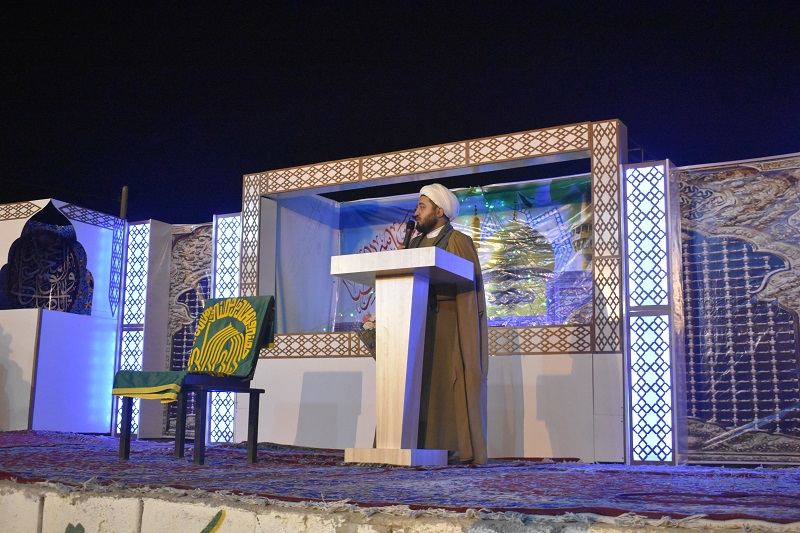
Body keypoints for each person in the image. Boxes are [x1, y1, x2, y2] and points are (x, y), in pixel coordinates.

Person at [406, 183, 489, 464]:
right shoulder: (413, 244)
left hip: (449, 324)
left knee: (448, 383)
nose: (416, 212)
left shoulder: (458, 241)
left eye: (422, 206)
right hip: (417, 325)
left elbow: (468, 290)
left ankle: (455, 447)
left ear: (439, 211)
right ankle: (414, 444)